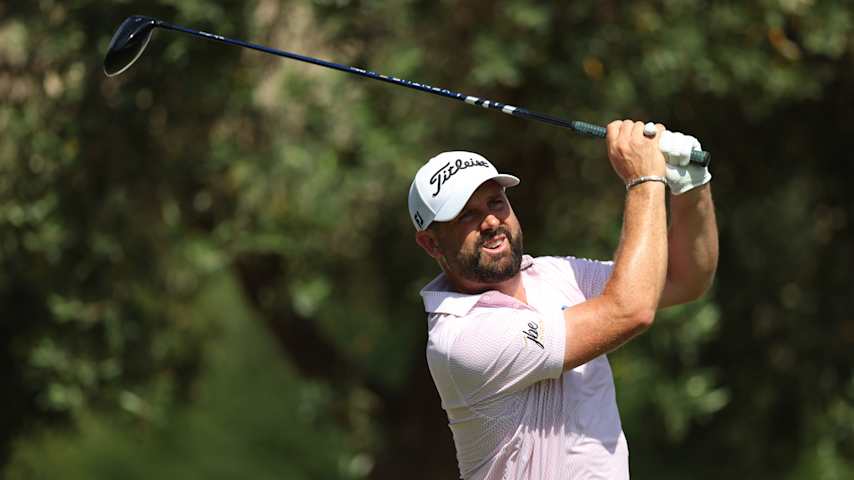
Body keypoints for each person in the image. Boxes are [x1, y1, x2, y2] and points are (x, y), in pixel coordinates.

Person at [407, 120, 718, 479]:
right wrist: (644, 181)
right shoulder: (461, 338)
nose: (491, 220)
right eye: (467, 216)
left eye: (496, 202)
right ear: (431, 243)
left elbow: (684, 279)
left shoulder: (557, 275)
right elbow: (631, 310)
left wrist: (691, 186)